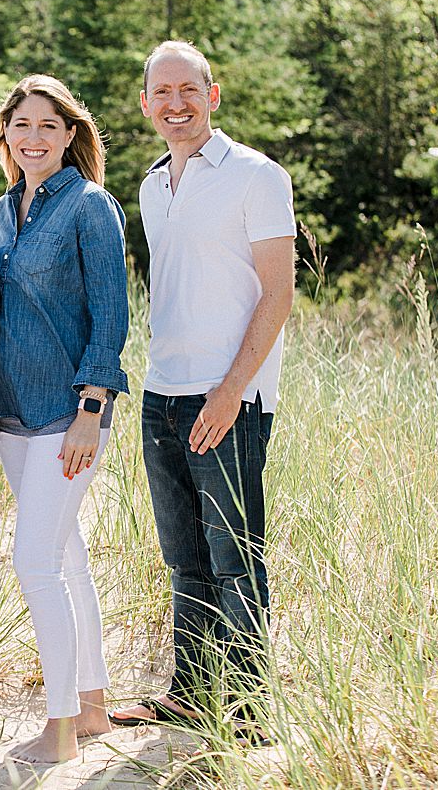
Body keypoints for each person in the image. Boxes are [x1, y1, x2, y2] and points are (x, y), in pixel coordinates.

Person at [108, 41, 295, 739]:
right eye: (162, 92)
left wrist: (231, 390)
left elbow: (278, 293)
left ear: (211, 96)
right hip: (163, 393)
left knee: (235, 555)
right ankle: (191, 692)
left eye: (189, 89)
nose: (176, 103)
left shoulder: (256, 175)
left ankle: (250, 713)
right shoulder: (155, 184)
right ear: (146, 103)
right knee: (184, 555)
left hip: (229, 398)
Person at [0, 75, 130, 763]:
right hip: (10, 413)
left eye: (47, 125)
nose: (32, 137)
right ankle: (93, 704)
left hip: (69, 415)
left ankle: (62, 728)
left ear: (71, 134)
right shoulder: (3, 211)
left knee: (34, 560)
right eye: (21, 125)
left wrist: (92, 410)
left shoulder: (91, 207)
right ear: (5, 135)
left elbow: (112, 317)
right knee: (66, 556)